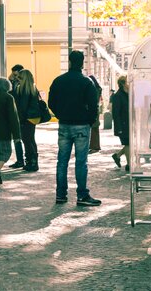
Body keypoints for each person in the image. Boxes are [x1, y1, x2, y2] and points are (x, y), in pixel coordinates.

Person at [48, 50, 101, 206]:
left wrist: (60, 114)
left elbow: (51, 103)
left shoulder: (58, 81)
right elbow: (93, 106)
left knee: (62, 161)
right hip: (82, 126)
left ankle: (61, 195)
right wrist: (89, 120)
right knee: (81, 162)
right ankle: (82, 195)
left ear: (69, 62)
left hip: (64, 124)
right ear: (82, 63)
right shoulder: (86, 82)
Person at [12, 69, 41, 172]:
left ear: (24, 78)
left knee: (26, 140)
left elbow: (22, 107)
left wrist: (21, 120)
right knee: (31, 139)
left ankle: (31, 162)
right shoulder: (32, 88)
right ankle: (33, 161)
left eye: (19, 77)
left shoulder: (24, 89)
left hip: (26, 118)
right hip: (33, 117)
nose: (17, 79)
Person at [111, 75, 130, 172]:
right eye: (127, 82)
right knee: (127, 144)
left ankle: (117, 156)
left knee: (129, 144)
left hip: (129, 125)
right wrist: (118, 128)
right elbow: (116, 113)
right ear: (123, 84)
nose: (129, 84)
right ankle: (129, 164)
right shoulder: (118, 96)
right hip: (122, 125)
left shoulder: (128, 94)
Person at [8, 64, 25, 168]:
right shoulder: (12, 82)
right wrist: (10, 81)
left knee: (23, 139)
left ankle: (22, 160)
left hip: (21, 115)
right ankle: (20, 160)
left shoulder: (24, 84)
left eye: (16, 74)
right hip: (15, 113)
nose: (14, 76)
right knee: (17, 138)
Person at [88, 75, 103, 154]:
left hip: (94, 110)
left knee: (94, 128)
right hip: (95, 110)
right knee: (94, 128)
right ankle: (94, 146)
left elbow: (93, 101)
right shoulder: (98, 89)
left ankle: (95, 146)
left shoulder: (95, 89)